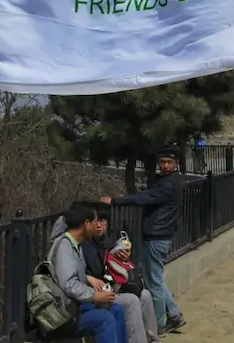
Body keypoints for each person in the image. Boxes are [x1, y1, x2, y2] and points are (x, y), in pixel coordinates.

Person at [101, 146, 186, 335]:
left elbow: (145, 198)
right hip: (161, 235)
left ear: (175, 164)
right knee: (155, 278)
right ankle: (174, 315)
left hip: (157, 237)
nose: (164, 166)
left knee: (153, 283)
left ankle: (157, 324)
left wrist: (115, 201)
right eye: (162, 162)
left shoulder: (168, 184)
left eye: (168, 162)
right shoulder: (172, 180)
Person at [49, 203, 128, 343]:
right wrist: (95, 296)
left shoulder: (76, 243)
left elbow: (69, 273)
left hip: (75, 307)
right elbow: (68, 284)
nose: (98, 225)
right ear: (86, 223)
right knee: (105, 319)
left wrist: (88, 279)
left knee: (117, 310)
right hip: (64, 314)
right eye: (95, 221)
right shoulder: (64, 246)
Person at [82, 204, 160, 343]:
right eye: (97, 221)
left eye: (103, 221)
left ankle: (152, 339)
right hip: (99, 292)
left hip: (114, 285)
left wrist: (122, 257)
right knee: (131, 301)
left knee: (146, 295)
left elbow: (117, 268)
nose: (99, 225)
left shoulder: (109, 241)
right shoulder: (84, 244)